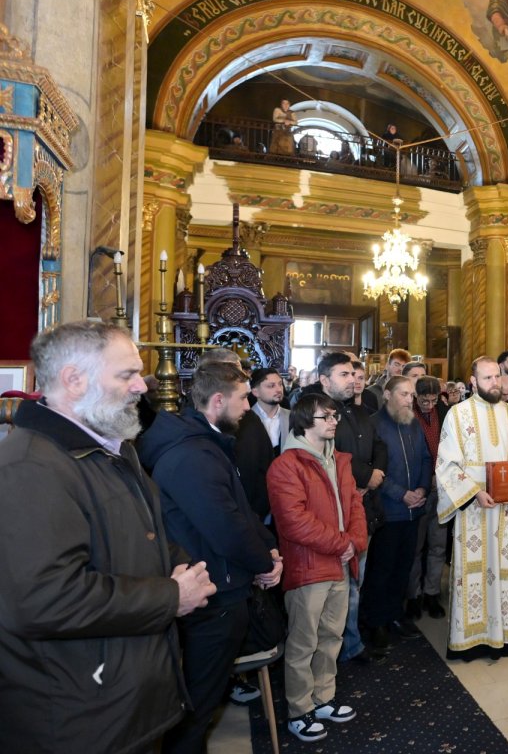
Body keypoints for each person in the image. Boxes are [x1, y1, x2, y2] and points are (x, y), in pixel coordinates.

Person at [0, 321, 215, 754]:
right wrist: (171, 597)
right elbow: (45, 600)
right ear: (74, 380)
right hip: (76, 715)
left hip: (121, 700)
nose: (142, 385)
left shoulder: (113, 446)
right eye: (126, 374)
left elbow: (142, 532)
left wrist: (179, 562)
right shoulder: (31, 468)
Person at [139, 361, 282, 754]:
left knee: (204, 697)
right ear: (218, 400)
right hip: (213, 593)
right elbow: (224, 526)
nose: (248, 408)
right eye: (242, 399)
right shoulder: (192, 455)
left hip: (219, 583)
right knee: (198, 703)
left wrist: (268, 545)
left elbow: (238, 510)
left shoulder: (205, 443)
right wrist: (265, 563)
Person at [267, 393, 367, 742]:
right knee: (303, 642)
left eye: (334, 416)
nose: (334, 421)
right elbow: (295, 522)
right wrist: (342, 544)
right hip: (309, 565)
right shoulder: (287, 465)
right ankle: (299, 710)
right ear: (305, 421)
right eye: (326, 417)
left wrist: (355, 541)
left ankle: (323, 698)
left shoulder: (338, 458)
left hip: (339, 562)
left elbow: (354, 502)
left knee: (332, 636)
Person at [435, 357, 508, 660]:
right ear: (473, 381)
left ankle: (505, 635)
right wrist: (474, 492)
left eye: (497, 377)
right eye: (487, 377)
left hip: (506, 510)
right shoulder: (457, 414)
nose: (494, 382)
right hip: (473, 511)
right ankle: (471, 639)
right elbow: (446, 462)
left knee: (503, 572)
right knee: (474, 573)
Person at [309, 352, 388, 663]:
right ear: (325, 380)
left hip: (362, 508)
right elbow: (333, 453)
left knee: (356, 582)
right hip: (334, 513)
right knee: (337, 587)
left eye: (354, 374)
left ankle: (351, 644)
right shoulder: (315, 414)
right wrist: (366, 474)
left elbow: (378, 444)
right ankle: (335, 649)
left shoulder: (358, 412)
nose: (353, 379)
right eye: (344, 374)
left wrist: (373, 477)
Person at [361, 376, 430, 648]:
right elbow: (372, 469)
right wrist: (401, 493)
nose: (409, 400)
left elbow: (425, 458)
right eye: (404, 394)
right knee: (382, 568)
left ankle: (395, 615)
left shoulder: (414, 423)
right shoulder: (373, 424)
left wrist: (423, 488)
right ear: (387, 394)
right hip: (388, 511)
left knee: (404, 566)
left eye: (411, 395)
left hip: (414, 511)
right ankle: (377, 622)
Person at [407, 375, 449, 620]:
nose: (428, 405)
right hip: (418, 489)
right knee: (416, 546)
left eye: (433, 400)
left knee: (438, 544)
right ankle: (414, 595)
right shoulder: (407, 414)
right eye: (424, 400)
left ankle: (432, 592)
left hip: (442, 489)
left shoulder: (444, 413)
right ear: (416, 396)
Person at [236, 366, 290, 520]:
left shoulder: (293, 418)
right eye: (271, 386)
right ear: (255, 391)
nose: (278, 389)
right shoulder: (244, 421)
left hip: (287, 495)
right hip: (257, 498)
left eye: (280, 384)